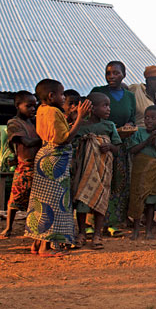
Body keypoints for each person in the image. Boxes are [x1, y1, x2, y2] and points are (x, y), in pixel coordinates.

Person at [25, 79, 91, 256]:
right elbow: (64, 138)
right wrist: (80, 118)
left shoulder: (41, 110)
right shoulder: (54, 111)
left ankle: (36, 243)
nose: (64, 97)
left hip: (44, 154)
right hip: (55, 160)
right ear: (51, 95)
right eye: (62, 94)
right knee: (53, 203)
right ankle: (46, 247)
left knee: (41, 200)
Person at [91, 61, 136, 236]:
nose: (111, 76)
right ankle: (91, 223)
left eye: (116, 73)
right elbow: (90, 115)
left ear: (124, 75)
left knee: (118, 182)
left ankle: (113, 222)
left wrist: (128, 125)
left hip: (120, 145)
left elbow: (131, 118)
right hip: (99, 144)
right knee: (97, 181)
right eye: (108, 73)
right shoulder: (98, 92)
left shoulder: (129, 96)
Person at [72, 92, 121, 250]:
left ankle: (97, 234)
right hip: (85, 171)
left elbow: (117, 148)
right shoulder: (81, 126)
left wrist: (110, 147)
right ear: (91, 108)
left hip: (103, 170)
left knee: (101, 199)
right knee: (82, 200)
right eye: (104, 105)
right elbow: (72, 144)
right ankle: (81, 232)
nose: (108, 109)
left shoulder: (109, 126)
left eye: (109, 105)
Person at [1, 91, 41, 238]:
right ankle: (8, 227)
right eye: (28, 106)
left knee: (37, 199)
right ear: (18, 106)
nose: (33, 109)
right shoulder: (14, 123)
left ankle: (34, 227)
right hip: (24, 166)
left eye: (34, 106)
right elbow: (27, 142)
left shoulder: (34, 122)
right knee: (15, 198)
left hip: (38, 165)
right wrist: (46, 139)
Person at [128, 105, 156, 240]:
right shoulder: (138, 133)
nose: (149, 121)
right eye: (146, 117)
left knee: (151, 203)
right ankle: (135, 230)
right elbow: (133, 150)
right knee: (137, 200)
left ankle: (148, 230)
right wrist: (146, 141)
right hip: (139, 172)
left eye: (153, 118)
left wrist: (155, 144)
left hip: (154, 173)